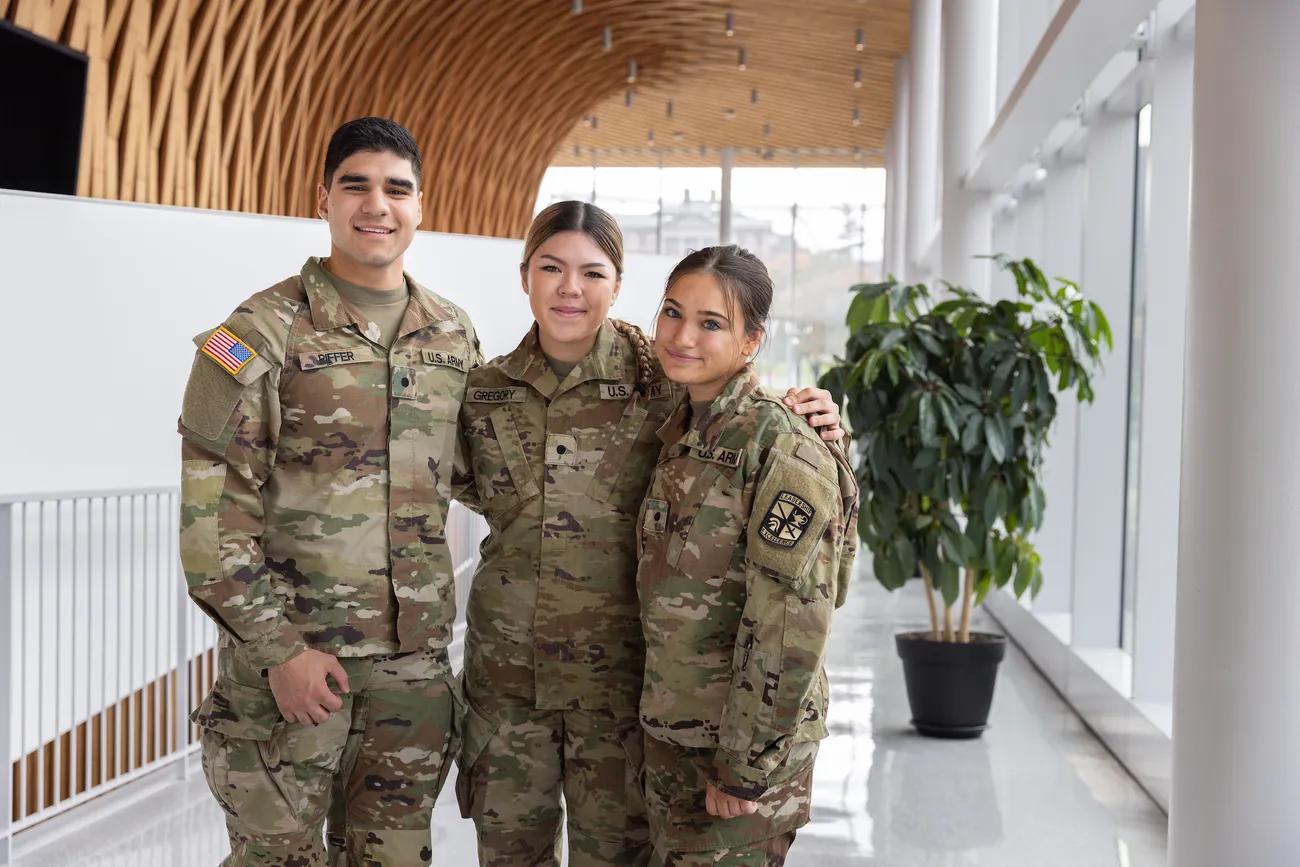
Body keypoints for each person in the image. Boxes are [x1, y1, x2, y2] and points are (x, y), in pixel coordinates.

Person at [455, 203, 845, 867]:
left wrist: (826, 432)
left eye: (591, 271)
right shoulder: (484, 391)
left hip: (623, 699)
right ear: (524, 276)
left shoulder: (664, 383)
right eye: (551, 267)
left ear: (617, 282)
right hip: (508, 689)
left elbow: (759, 459)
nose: (569, 287)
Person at [178, 117, 478, 866]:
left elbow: (505, 463)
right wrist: (282, 652)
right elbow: (210, 527)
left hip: (412, 677)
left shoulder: (451, 334)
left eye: (396, 189)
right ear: (325, 199)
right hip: (292, 674)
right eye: (357, 185)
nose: (377, 204)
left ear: (420, 205)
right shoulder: (257, 334)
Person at [635, 246, 859, 866]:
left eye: (712, 323)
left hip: (737, 753)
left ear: (752, 341)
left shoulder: (779, 445)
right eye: (672, 312)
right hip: (676, 734)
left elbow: (792, 624)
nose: (682, 335)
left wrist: (745, 765)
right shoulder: (682, 427)